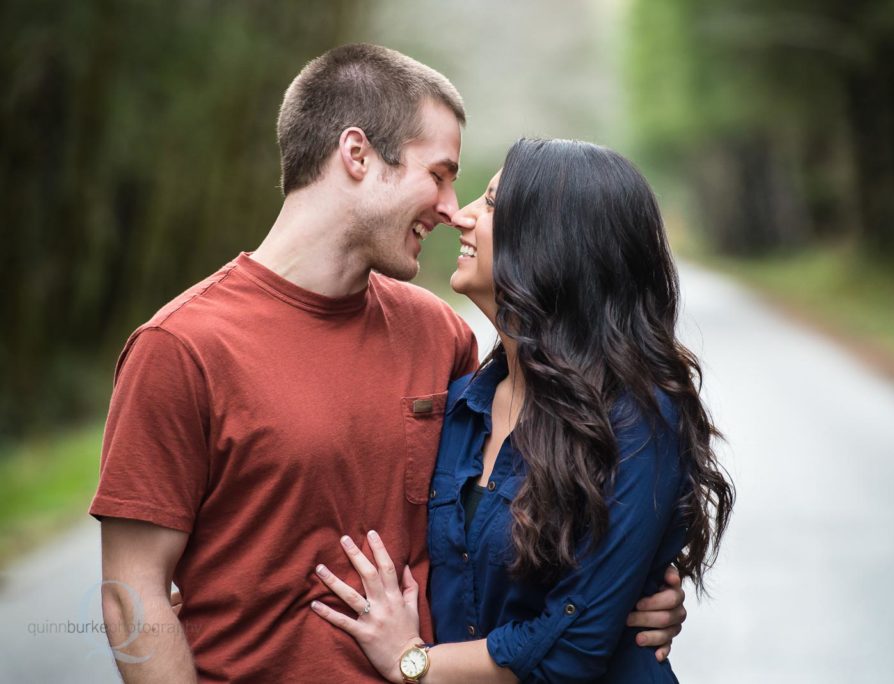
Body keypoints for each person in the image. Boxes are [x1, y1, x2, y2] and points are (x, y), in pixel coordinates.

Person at [90, 45, 686, 683]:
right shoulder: (181, 348)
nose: (450, 207)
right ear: (357, 155)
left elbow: (523, 528)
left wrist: (630, 591)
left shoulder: (439, 336)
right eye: (439, 174)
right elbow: (133, 596)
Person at [309, 138, 735, 682]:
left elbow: (571, 649)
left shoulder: (638, 419)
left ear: (552, 243)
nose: (461, 216)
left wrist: (412, 662)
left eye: (489, 203)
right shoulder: (465, 402)